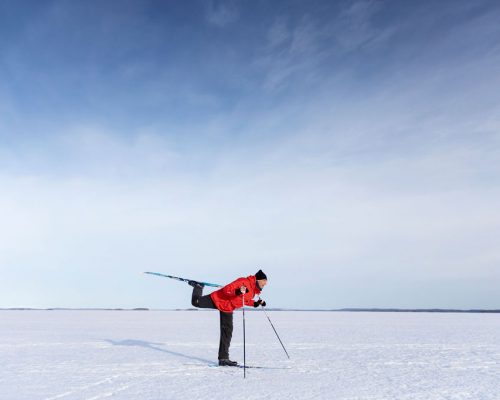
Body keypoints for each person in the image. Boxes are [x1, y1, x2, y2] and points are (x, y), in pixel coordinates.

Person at [189, 269, 268, 366]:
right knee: (196, 302)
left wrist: (255, 303)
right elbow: (227, 290)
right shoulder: (243, 281)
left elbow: (244, 300)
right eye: (263, 283)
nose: (264, 285)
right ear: (258, 280)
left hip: (228, 308)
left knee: (227, 332)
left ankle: (223, 359)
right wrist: (238, 291)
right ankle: (198, 287)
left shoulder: (252, 291)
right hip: (218, 299)